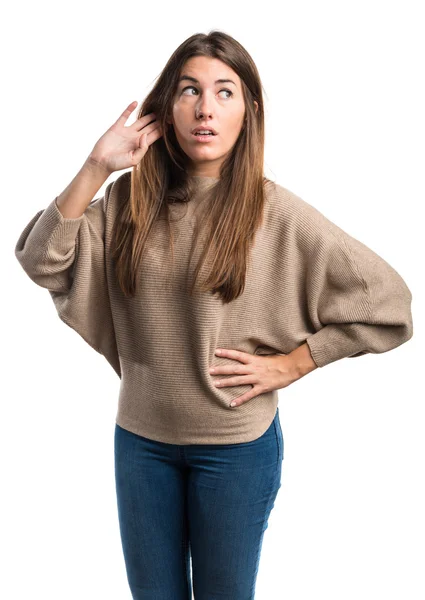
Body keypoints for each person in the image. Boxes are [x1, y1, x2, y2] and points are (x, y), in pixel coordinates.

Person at [15, 31, 413, 600]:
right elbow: (40, 258)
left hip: (235, 451)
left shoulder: (275, 212)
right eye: (190, 91)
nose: (206, 108)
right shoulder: (130, 202)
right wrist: (96, 166)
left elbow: (388, 302)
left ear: (248, 111)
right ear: (166, 109)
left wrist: (294, 364)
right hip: (140, 444)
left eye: (225, 92)